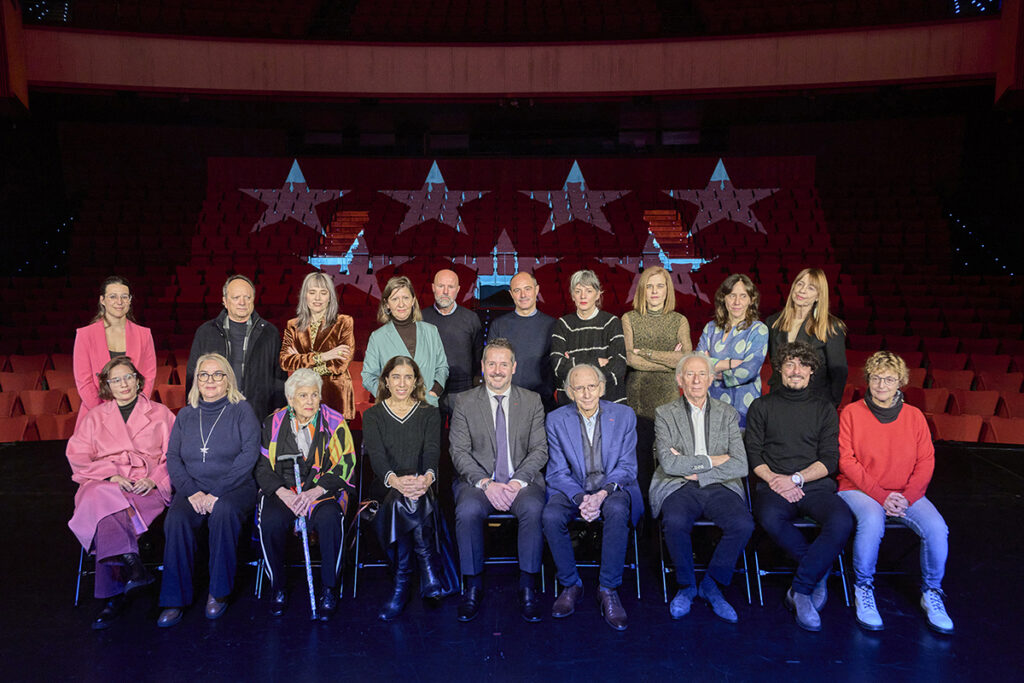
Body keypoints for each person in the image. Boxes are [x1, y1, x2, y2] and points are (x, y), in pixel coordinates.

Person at [838, 351, 953, 634]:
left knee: (938, 528)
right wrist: (881, 496)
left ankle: (932, 593)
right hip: (860, 490)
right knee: (873, 521)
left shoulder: (914, 417)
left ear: (900, 382)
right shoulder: (851, 413)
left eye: (888, 379)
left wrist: (907, 496)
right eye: (876, 378)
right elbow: (846, 461)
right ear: (868, 380)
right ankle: (863, 588)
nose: (881, 385)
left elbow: (926, 460)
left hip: (905, 493)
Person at [745, 341, 853, 632]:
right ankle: (816, 571)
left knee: (842, 520)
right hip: (772, 485)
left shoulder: (825, 408)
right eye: (789, 364)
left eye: (802, 365)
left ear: (812, 371)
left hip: (812, 484)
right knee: (768, 518)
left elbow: (829, 460)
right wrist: (776, 481)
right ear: (779, 369)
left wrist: (796, 479)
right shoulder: (761, 406)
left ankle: (801, 589)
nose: (796, 371)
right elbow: (754, 454)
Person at [66, 357, 175, 629]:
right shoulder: (94, 417)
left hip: (142, 487)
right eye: (116, 380)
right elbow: (77, 456)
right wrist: (109, 474)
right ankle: (133, 565)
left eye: (128, 377)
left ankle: (111, 598)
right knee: (100, 496)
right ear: (107, 386)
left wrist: (153, 479)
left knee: (104, 515)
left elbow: (173, 456)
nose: (123, 384)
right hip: (105, 481)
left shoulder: (161, 414)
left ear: (138, 380)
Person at [157, 353, 261, 627]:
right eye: (204, 374)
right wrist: (191, 492)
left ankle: (218, 592)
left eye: (218, 374)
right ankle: (174, 598)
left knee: (224, 512)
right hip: (193, 489)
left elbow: (248, 457)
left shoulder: (242, 410)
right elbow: (173, 458)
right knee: (177, 518)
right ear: (196, 380)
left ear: (228, 380)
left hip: (235, 487)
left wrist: (216, 493)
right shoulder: (186, 415)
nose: (210, 380)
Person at [450, 338, 548, 623]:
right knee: (466, 511)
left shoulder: (531, 401)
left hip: (521, 483)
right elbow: (458, 451)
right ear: (482, 367)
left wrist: (517, 482)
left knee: (533, 509)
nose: (497, 370)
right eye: (491, 363)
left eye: (503, 364)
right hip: (479, 483)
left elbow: (540, 449)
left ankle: (528, 587)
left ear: (514, 367)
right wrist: (485, 483)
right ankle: (472, 587)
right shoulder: (465, 402)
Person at [651, 353, 753, 624]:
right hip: (678, 485)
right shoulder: (664, 414)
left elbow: (741, 465)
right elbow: (670, 464)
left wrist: (698, 472)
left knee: (743, 524)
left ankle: (712, 584)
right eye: (689, 374)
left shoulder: (728, 414)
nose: (696, 380)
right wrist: (712, 459)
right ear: (679, 380)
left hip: (718, 485)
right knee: (674, 521)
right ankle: (686, 586)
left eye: (701, 374)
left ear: (711, 379)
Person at [543, 364, 643, 631]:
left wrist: (600, 495)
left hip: (612, 487)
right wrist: (580, 498)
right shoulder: (555, 419)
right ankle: (570, 584)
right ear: (569, 392)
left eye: (591, 387)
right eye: (579, 388)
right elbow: (556, 471)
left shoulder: (624, 415)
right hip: (573, 486)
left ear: (601, 387)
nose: (586, 394)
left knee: (618, 510)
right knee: (551, 515)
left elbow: (627, 467)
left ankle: (608, 588)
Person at [256, 368, 356, 621]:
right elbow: (262, 467)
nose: (310, 401)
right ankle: (278, 586)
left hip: (322, 490)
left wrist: (316, 491)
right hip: (284, 490)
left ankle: (329, 588)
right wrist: (283, 493)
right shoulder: (273, 423)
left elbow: (346, 463)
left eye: (314, 395)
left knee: (330, 519)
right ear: (290, 399)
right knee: (270, 521)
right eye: (303, 395)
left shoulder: (334, 421)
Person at [363, 356, 457, 621]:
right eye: (395, 376)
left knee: (412, 498)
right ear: (385, 381)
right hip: (386, 487)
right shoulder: (373, 415)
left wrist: (427, 477)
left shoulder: (429, 412)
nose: (401, 383)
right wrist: (394, 480)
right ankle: (427, 572)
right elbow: (378, 457)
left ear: (416, 381)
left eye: (408, 377)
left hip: (421, 485)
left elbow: (432, 450)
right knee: (405, 500)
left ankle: (401, 584)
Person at [622, 265, 692, 496]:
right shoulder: (629, 318)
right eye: (649, 286)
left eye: (660, 286)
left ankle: (666, 509)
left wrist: (648, 352)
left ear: (667, 290)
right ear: (642, 290)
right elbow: (631, 359)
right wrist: (669, 359)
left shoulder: (679, 320)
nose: (654, 291)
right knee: (641, 457)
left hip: (668, 396)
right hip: (638, 397)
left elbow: (685, 360)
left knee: (667, 458)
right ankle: (643, 524)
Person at [187, 274, 285, 423]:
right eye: (236, 297)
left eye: (247, 297)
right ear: (225, 301)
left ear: (253, 300)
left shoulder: (270, 333)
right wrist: (192, 409)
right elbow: (192, 374)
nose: (242, 302)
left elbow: (279, 374)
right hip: (215, 414)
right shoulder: (206, 332)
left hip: (258, 414)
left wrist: (279, 406)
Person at [73, 276, 157, 428]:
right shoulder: (85, 335)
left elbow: (149, 376)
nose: (119, 302)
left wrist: (133, 410)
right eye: (113, 296)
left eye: (124, 297)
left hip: (134, 416)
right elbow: (84, 382)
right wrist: (105, 413)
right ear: (102, 300)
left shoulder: (144, 334)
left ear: (130, 300)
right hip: (96, 416)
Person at [361, 276, 449, 408]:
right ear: (387, 304)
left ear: (413, 300)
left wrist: (434, 392)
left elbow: (442, 367)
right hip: (393, 410)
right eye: (395, 299)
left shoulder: (431, 331)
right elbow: (368, 376)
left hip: (427, 407)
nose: (401, 304)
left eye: (406, 298)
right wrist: (388, 397)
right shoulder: (377, 337)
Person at [766, 268, 847, 406]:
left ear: (818, 296)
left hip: (815, 401)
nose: (802, 290)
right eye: (800, 284)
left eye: (811, 288)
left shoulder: (831, 327)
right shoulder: (773, 323)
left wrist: (831, 405)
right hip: (779, 398)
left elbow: (838, 371)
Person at [696, 273, 770, 428]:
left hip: (743, 408)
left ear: (752, 300)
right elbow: (697, 363)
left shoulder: (758, 330)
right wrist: (728, 363)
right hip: (710, 406)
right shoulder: (710, 328)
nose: (737, 302)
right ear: (724, 298)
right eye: (732, 295)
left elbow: (749, 370)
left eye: (743, 296)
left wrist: (712, 370)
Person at [280, 271, 356, 419]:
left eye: (323, 292)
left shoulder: (344, 322)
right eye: (312, 292)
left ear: (330, 297)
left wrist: (302, 363)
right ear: (305, 296)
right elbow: (285, 361)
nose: (317, 298)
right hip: (303, 399)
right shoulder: (293, 325)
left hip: (335, 397)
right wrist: (324, 356)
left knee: (335, 442)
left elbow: (340, 364)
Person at [550, 269, 627, 406]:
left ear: (598, 295)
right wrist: (597, 361)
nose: (583, 296)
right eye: (578, 291)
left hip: (609, 400)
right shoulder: (563, 324)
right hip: (571, 402)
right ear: (572, 295)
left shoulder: (611, 322)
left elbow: (619, 365)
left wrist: (573, 362)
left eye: (589, 291)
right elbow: (557, 366)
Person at [487, 271, 557, 411]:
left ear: (536, 290)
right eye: (517, 290)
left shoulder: (553, 325)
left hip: (542, 402)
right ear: (511, 294)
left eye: (527, 289)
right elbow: (492, 366)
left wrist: (547, 391)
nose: (523, 295)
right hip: (508, 403)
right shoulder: (499, 325)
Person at [421, 268, 484, 412]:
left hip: (462, 392)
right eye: (441, 286)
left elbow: (478, 355)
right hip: (430, 392)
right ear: (433, 288)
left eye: (450, 287)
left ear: (458, 290)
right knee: (433, 434)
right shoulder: (421, 318)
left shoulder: (471, 319)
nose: (445, 291)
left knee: (462, 434)